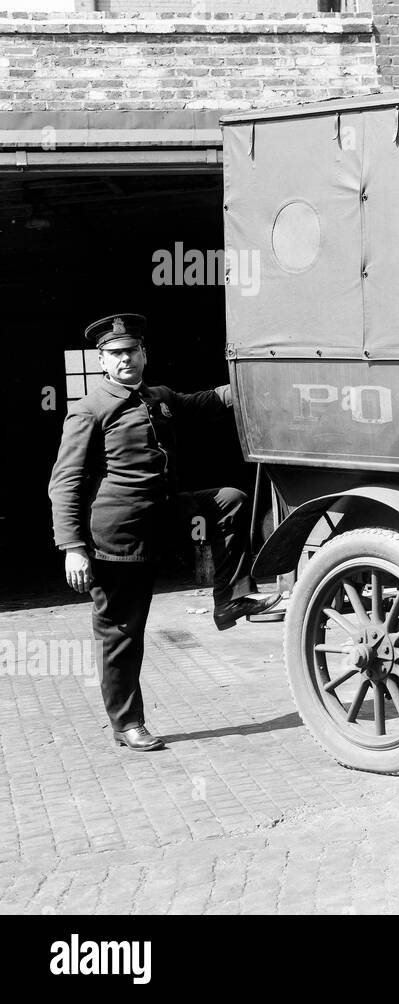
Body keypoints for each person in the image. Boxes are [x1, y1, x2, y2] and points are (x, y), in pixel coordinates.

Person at [48, 313, 280, 752]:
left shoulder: (158, 398)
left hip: (165, 516)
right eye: (115, 354)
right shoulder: (89, 409)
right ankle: (127, 723)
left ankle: (229, 600)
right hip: (117, 536)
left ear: (143, 354)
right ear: (101, 361)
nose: (125, 360)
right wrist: (73, 548)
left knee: (229, 499)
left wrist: (259, 379)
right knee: (122, 633)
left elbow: (210, 401)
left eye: (132, 351)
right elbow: (66, 481)